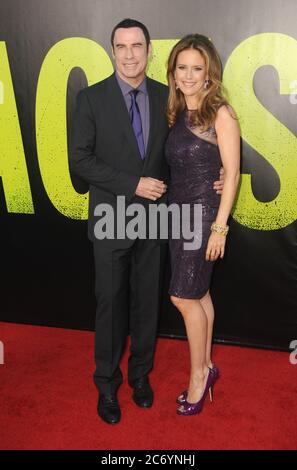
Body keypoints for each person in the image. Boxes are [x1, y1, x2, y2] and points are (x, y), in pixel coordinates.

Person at [69, 19, 224, 425]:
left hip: (156, 220)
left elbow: (190, 148)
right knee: (109, 306)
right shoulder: (90, 99)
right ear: (112, 50)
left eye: (137, 45)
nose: (130, 54)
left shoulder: (167, 97)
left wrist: (221, 174)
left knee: (145, 306)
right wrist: (133, 184)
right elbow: (81, 161)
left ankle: (140, 377)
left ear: (150, 50)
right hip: (110, 218)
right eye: (121, 46)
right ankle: (107, 385)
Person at [165, 34, 240, 416]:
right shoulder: (178, 112)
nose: (190, 75)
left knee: (182, 296)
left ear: (209, 73)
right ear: (174, 73)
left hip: (203, 216)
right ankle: (208, 366)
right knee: (200, 294)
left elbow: (233, 173)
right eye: (183, 68)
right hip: (178, 216)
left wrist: (219, 227)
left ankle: (198, 375)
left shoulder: (220, 114)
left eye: (198, 68)